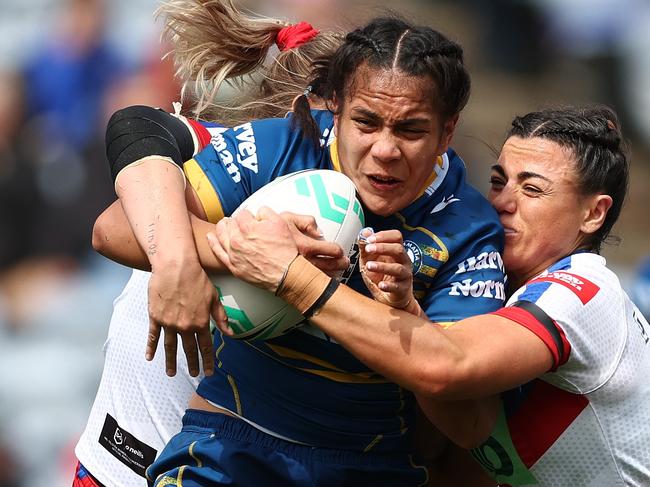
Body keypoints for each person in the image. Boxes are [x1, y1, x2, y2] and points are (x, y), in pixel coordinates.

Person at [95, 13, 506, 487]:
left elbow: (470, 424)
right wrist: (231, 249)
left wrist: (407, 312)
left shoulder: (468, 228)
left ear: (447, 131)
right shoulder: (286, 146)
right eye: (366, 123)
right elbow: (112, 230)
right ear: (336, 107)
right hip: (230, 445)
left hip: (368, 465)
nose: (386, 150)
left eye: (411, 130)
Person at [209, 104, 650, 486]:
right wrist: (407, 314)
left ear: (594, 213)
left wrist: (292, 278)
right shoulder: (514, 297)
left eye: (532, 189)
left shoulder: (583, 293)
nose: (503, 202)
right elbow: (469, 427)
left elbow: (446, 367)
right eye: (499, 181)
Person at [73, 1, 347, 485]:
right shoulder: (226, 156)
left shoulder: (370, 214)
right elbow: (133, 132)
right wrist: (184, 257)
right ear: (295, 112)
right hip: (121, 463)